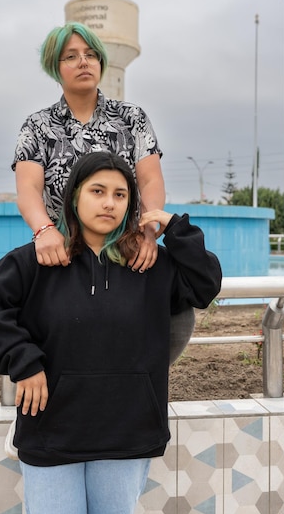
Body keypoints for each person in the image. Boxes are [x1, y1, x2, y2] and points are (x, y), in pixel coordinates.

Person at [0, 151, 222, 514]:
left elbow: (204, 286)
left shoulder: (148, 263)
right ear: (74, 198)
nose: (109, 202)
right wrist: (25, 362)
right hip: (51, 432)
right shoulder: (41, 259)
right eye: (98, 191)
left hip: (128, 430)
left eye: (121, 195)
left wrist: (173, 227)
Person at [12, 21, 195, 362]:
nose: (83, 62)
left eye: (91, 54)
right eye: (71, 56)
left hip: (123, 249)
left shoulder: (132, 118)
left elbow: (151, 181)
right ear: (55, 66)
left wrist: (149, 232)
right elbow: (28, 188)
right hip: (63, 252)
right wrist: (44, 231)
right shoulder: (37, 126)